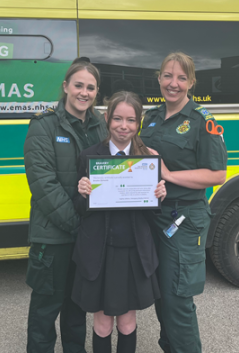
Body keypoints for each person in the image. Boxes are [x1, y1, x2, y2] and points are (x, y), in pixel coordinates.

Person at [140, 52, 228, 353]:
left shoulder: (202, 120)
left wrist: (167, 173)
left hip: (183, 219)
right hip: (152, 215)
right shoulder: (149, 118)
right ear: (159, 78)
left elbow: (217, 174)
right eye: (167, 76)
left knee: (177, 298)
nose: (172, 83)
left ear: (191, 82)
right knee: (162, 295)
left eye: (180, 77)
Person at [72, 91, 167, 353]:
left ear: (139, 123)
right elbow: (80, 209)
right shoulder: (89, 156)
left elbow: (151, 213)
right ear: (106, 119)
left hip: (133, 252)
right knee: (102, 324)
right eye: (117, 119)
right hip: (98, 252)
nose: (123, 126)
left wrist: (159, 196)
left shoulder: (148, 158)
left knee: (127, 323)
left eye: (131, 120)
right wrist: (82, 193)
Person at [24, 58, 108, 353]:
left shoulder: (101, 126)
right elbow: (43, 185)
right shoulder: (43, 126)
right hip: (54, 236)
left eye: (91, 88)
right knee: (46, 308)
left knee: (77, 307)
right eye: (78, 85)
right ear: (65, 87)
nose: (84, 93)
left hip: (85, 236)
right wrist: (78, 224)